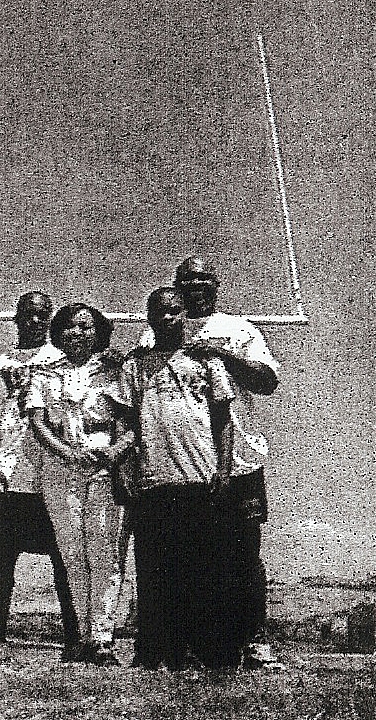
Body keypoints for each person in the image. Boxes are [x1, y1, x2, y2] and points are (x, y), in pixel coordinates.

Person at [139, 257, 283, 670]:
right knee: (188, 557)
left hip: (238, 459)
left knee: (243, 554)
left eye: (203, 278)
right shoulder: (157, 332)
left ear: (216, 283)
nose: (196, 285)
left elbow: (267, 380)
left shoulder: (238, 329)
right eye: (187, 280)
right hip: (182, 468)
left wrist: (220, 353)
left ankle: (255, 640)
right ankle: (193, 642)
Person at [111, 287, 238, 669]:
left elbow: (223, 420)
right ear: (148, 317)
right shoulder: (135, 365)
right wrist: (123, 469)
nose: (167, 319)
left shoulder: (205, 361)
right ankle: (154, 651)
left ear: (184, 314)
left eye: (174, 311)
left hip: (199, 477)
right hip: (153, 480)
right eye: (158, 312)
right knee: (154, 569)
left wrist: (224, 469)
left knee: (202, 568)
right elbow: (124, 421)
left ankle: (206, 652)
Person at [23, 303, 134, 665]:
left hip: (104, 464)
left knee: (104, 551)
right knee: (72, 553)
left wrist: (114, 453)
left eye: (87, 328)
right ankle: (83, 637)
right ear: (59, 333)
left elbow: (128, 422)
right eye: (70, 327)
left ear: (99, 333)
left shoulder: (115, 371)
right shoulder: (42, 373)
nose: (79, 334)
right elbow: (38, 424)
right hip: (61, 464)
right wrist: (67, 454)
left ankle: (103, 636)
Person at [0, 292, 78, 646]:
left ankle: (73, 633)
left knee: (62, 557)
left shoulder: (63, 361)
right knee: (4, 557)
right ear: (17, 318)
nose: (36, 321)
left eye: (43, 315)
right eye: (29, 315)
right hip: (11, 472)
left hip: (52, 473)